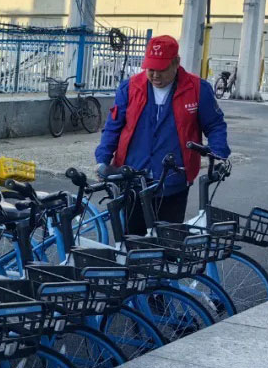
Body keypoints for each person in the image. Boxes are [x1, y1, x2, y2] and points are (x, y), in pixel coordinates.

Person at [95, 34, 230, 235]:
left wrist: (218, 152)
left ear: (176, 63)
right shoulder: (130, 87)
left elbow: (215, 125)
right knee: (132, 240)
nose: (155, 75)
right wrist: (103, 160)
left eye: (161, 69)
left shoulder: (197, 89)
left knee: (168, 239)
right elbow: (113, 127)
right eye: (150, 69)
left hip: (174, 178)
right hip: (132, 177)